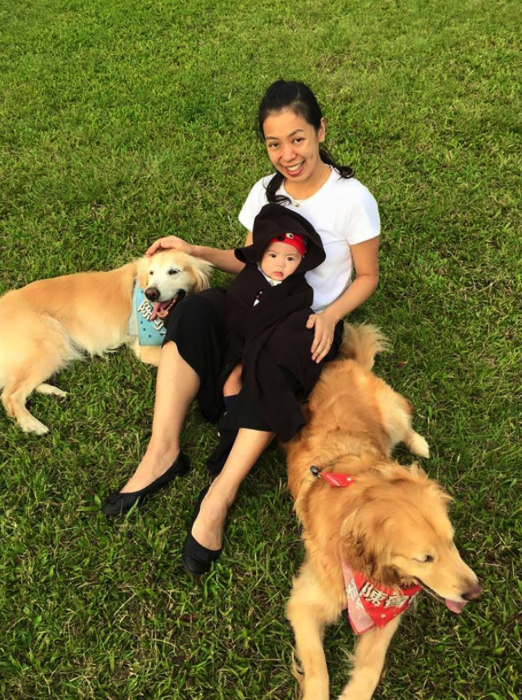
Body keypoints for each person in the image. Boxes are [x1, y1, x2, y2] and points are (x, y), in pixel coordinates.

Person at [101, 79, 380, 576]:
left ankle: (219, 497)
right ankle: (162, 452)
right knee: (193, 312)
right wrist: (195, 252)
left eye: (297, 138)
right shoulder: (266, 191)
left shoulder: (351, 199)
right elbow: (248, 260)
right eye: (274, 143)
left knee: (274, 361)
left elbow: (367, 276)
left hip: (308, 319)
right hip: (253, 302)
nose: (287, 154)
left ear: (320, 130)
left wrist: (333, 315)